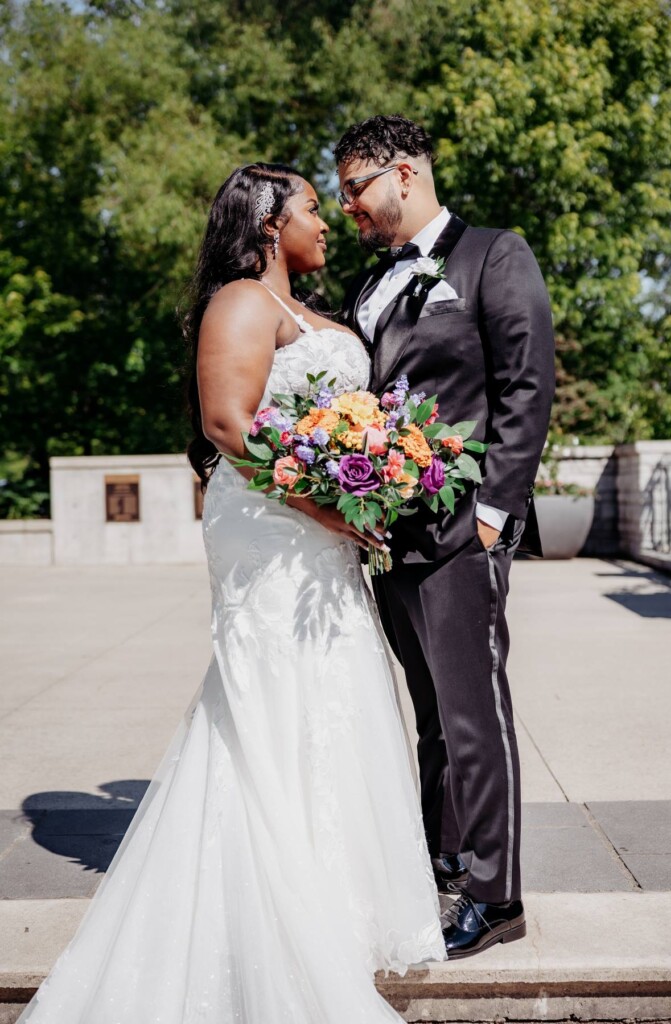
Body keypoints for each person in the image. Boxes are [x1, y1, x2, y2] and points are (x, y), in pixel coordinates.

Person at [15, 163, 445, 1024]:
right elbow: (227, 424)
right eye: (312, 210)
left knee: (332, 704)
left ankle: (327, 907)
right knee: (268, 707)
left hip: (320, 543)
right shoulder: (242, 303)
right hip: (276, 540)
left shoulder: (306, 312)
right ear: (265, 224)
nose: (325, 223)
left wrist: (368, 476)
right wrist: (325, 500)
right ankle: (280, 922)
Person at [336, 115, 555, 959]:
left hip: (464, 530)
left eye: (355, 188)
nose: (349, 206)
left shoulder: (495, 255)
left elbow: (525, 384)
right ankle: (443, 864)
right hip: (389, 538)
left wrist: (495, 516)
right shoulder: (370, 286)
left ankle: (496, 897)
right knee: (430, 719)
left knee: (473, 714)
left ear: (401, 174)